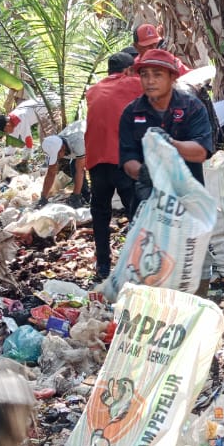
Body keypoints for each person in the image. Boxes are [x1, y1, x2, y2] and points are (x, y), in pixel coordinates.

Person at [118, 48, 214, 216]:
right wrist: (145, 174)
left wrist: (169, 143)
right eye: (144, 75)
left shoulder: (192, 108)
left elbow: (200, 152)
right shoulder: (131, 113)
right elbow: (127, 159)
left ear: (172, 77)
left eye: (157, 75)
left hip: (188, 204)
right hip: (148, 205)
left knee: (189, 242)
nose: (150, 81)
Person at [84, 53, 144, 280]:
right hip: (122, 160)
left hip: (96, 161)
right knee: (135, 213)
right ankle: (135, 264)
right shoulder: (133, 84)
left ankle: (102, 266)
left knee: (100, 214)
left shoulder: (93, 90)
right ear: (129, 70)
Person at [38, 119, 87, 204]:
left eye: (57, 155)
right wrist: (43, 197)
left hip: (95, 137)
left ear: (62, 148)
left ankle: (83, 196)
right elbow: (51, 172)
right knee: (71, 167)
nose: (56, 158)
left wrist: (76, 195)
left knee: (77, 168)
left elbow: (80, 171)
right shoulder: (54, 145)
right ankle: (83, 196)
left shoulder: (78, 142)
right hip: (78, 144)